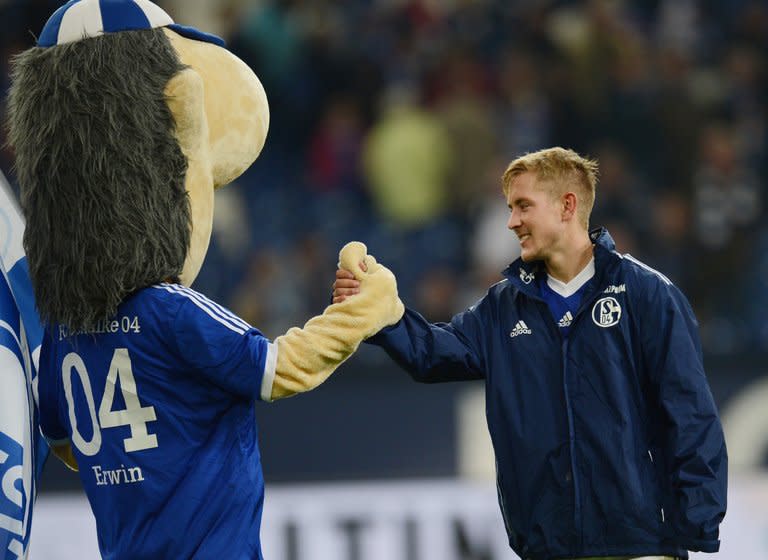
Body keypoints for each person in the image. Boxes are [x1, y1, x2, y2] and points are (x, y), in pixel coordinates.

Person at [334, 147, 727, 560]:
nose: (512, 221)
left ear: (567, 206)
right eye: (510, 208)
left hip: (641, 545)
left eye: (523, 206)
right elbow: (432, 352)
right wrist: (382, 316)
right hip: (547, 548)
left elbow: (689, 412)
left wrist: (696, 521)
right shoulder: (502, 307)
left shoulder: (647, 294)